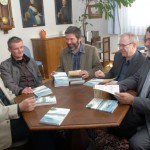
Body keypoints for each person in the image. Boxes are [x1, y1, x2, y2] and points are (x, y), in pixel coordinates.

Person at [87, 27, 150, 150]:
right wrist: (116, 86)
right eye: (146, 39)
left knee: (134, 141)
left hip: (142, 109)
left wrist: (132, 100)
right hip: (138, 106)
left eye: (149, 40)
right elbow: (136, 78)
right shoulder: (148, 60)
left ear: (133, 45)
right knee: (113, 121)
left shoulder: (142, 60)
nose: (146, 43)